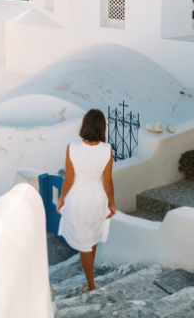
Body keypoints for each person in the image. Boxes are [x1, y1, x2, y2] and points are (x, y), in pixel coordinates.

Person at [57, 109, 117, 292]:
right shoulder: (107, 150)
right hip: (97, 197)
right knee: (91, 239)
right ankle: (91, 282)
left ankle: (91, 285)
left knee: (84, 243)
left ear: (85, 125)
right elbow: (107, 182)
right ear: (102, 128)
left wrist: (61, 199)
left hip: (78, 198)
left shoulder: (72, 147)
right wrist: (112, 203)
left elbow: (69, 179)